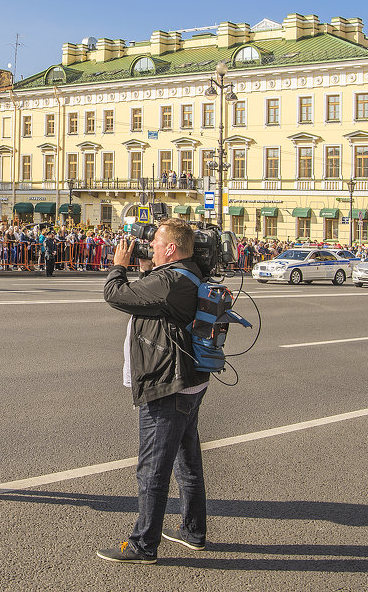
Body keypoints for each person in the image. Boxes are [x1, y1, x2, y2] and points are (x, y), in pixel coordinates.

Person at [97, 218, 207, 564]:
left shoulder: (170, 280)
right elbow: (153, 303)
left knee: (152, 468)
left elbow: (115, 295)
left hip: (167, 384)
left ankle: (144, 545)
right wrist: (147, 271)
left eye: (157, 244)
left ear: (171, 249)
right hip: (191, 380)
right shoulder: (188, 272)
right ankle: (193, 531)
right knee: (187, 460)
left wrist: (119, 267)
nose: (152, 248)